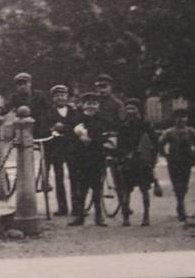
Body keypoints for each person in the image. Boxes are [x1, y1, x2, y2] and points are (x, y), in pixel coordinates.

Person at [68, 92, 113, 226]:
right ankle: (80, 216)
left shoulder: (103, 119)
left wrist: (87, 137)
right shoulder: (76, 119)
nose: (91, 106)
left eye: (94, 103)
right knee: (81, 189)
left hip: (97, 158)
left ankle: (99, 217)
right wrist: (78, 137)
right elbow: (70, 138)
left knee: (97, 188)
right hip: (80, 159)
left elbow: (104, 136)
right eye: (88, 103)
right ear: (82, 105)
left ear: (98, 105)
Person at [113, 98, 160, 226]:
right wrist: (123, 156)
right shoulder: (122, 126)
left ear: (138, 110)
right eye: (127, 108)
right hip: (128, 161)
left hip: (142, 162)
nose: (130, 111)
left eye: (132, 108)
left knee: (144, 190)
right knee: (126, 190)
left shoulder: (145, 125)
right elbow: (120, 145)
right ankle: (126, 218)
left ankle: (146, 216)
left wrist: (152, 157)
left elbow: (154, 142)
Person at [41, 84, 80, 217]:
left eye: (62, 95)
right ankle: (62, 207)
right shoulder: (48, 112)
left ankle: (77, 207)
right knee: (59, 178)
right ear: (53, 98)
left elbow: (78, 125)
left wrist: (65, 128)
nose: (60, 98)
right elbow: (43, 128)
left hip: (72, 148)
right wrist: (52, 129)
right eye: (57, 96)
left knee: (74, 177)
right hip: (56, 149)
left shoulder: (74, 111)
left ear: (67, 97)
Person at [158, 109, 195, 222]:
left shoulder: (190, 131)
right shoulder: (169, 132)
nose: (180, 120)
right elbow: (160, 144)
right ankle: (180, 204)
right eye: (178, 117)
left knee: (184, 183)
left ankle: (181, 203)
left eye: (183, 117)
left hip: (186, 162)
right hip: (173, 161)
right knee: (176, 183)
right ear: (174, 119)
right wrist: (165, 155)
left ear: (186, 119)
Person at [4, 72, 50, 138]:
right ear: (16, 86)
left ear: (30, 84)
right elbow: (7, 107)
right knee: (18, 145)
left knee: (39, 145)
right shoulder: (14, 96)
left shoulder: (39, 95)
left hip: (38, 127)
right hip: (21, 127)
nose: (22, 86)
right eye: (19, 84)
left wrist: (44, 120)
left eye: (25, 84)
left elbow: (48, 108)